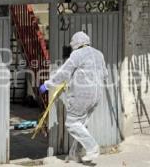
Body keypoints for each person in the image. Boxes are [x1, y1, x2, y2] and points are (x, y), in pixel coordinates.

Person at [39, 31, 108, 163]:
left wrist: (47, 85)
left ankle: (92, 148)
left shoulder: (77, 54)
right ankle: (74, 154)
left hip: (82, 96)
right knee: (81, 125)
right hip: (97, 95)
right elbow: (105, 74)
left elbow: (64, 73)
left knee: (72, 124)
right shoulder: (99, 54)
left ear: (76, 43)